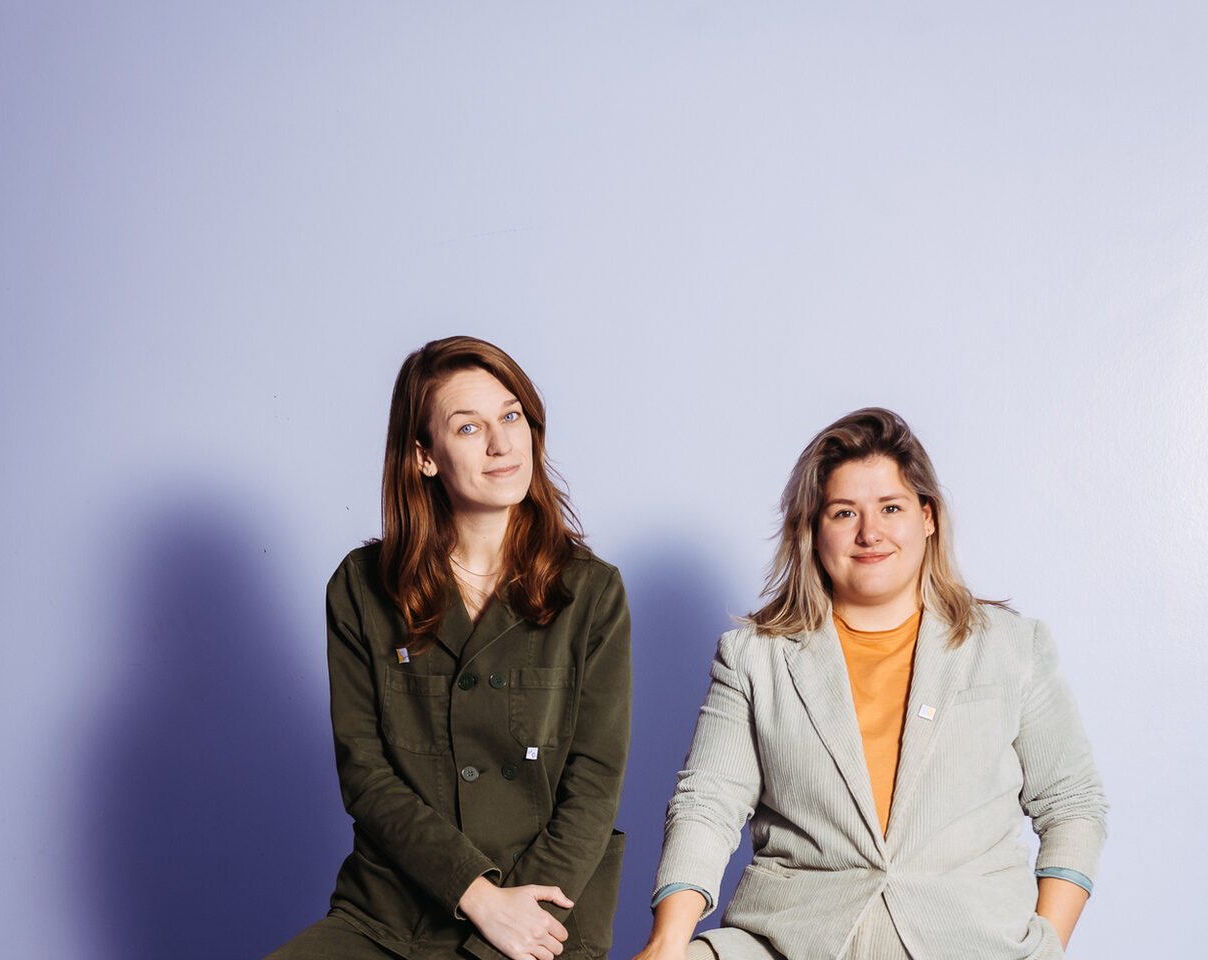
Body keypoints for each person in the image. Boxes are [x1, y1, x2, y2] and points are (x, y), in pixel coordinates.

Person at [633, 408, 1106, 960]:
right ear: (813, 530)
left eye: (890, 507)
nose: (869, 533)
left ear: (927, 517)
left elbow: (1072, 802)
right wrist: (668, 941)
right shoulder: (754, 657)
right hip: (790, 941)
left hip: (971, 942)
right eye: (843, 512)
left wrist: (1047, 944)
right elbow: (707, 803)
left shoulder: (1011, 646)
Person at [267, 336, 631, 960]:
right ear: (424, 456)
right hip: (394, 909)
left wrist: (513, 921)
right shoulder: (361, 586)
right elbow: (366, 774)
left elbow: (594, 784)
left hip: (544, 907)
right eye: (468, 427)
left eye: (511, 417)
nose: (501, 444)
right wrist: (476, 895)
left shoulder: (591, 592)